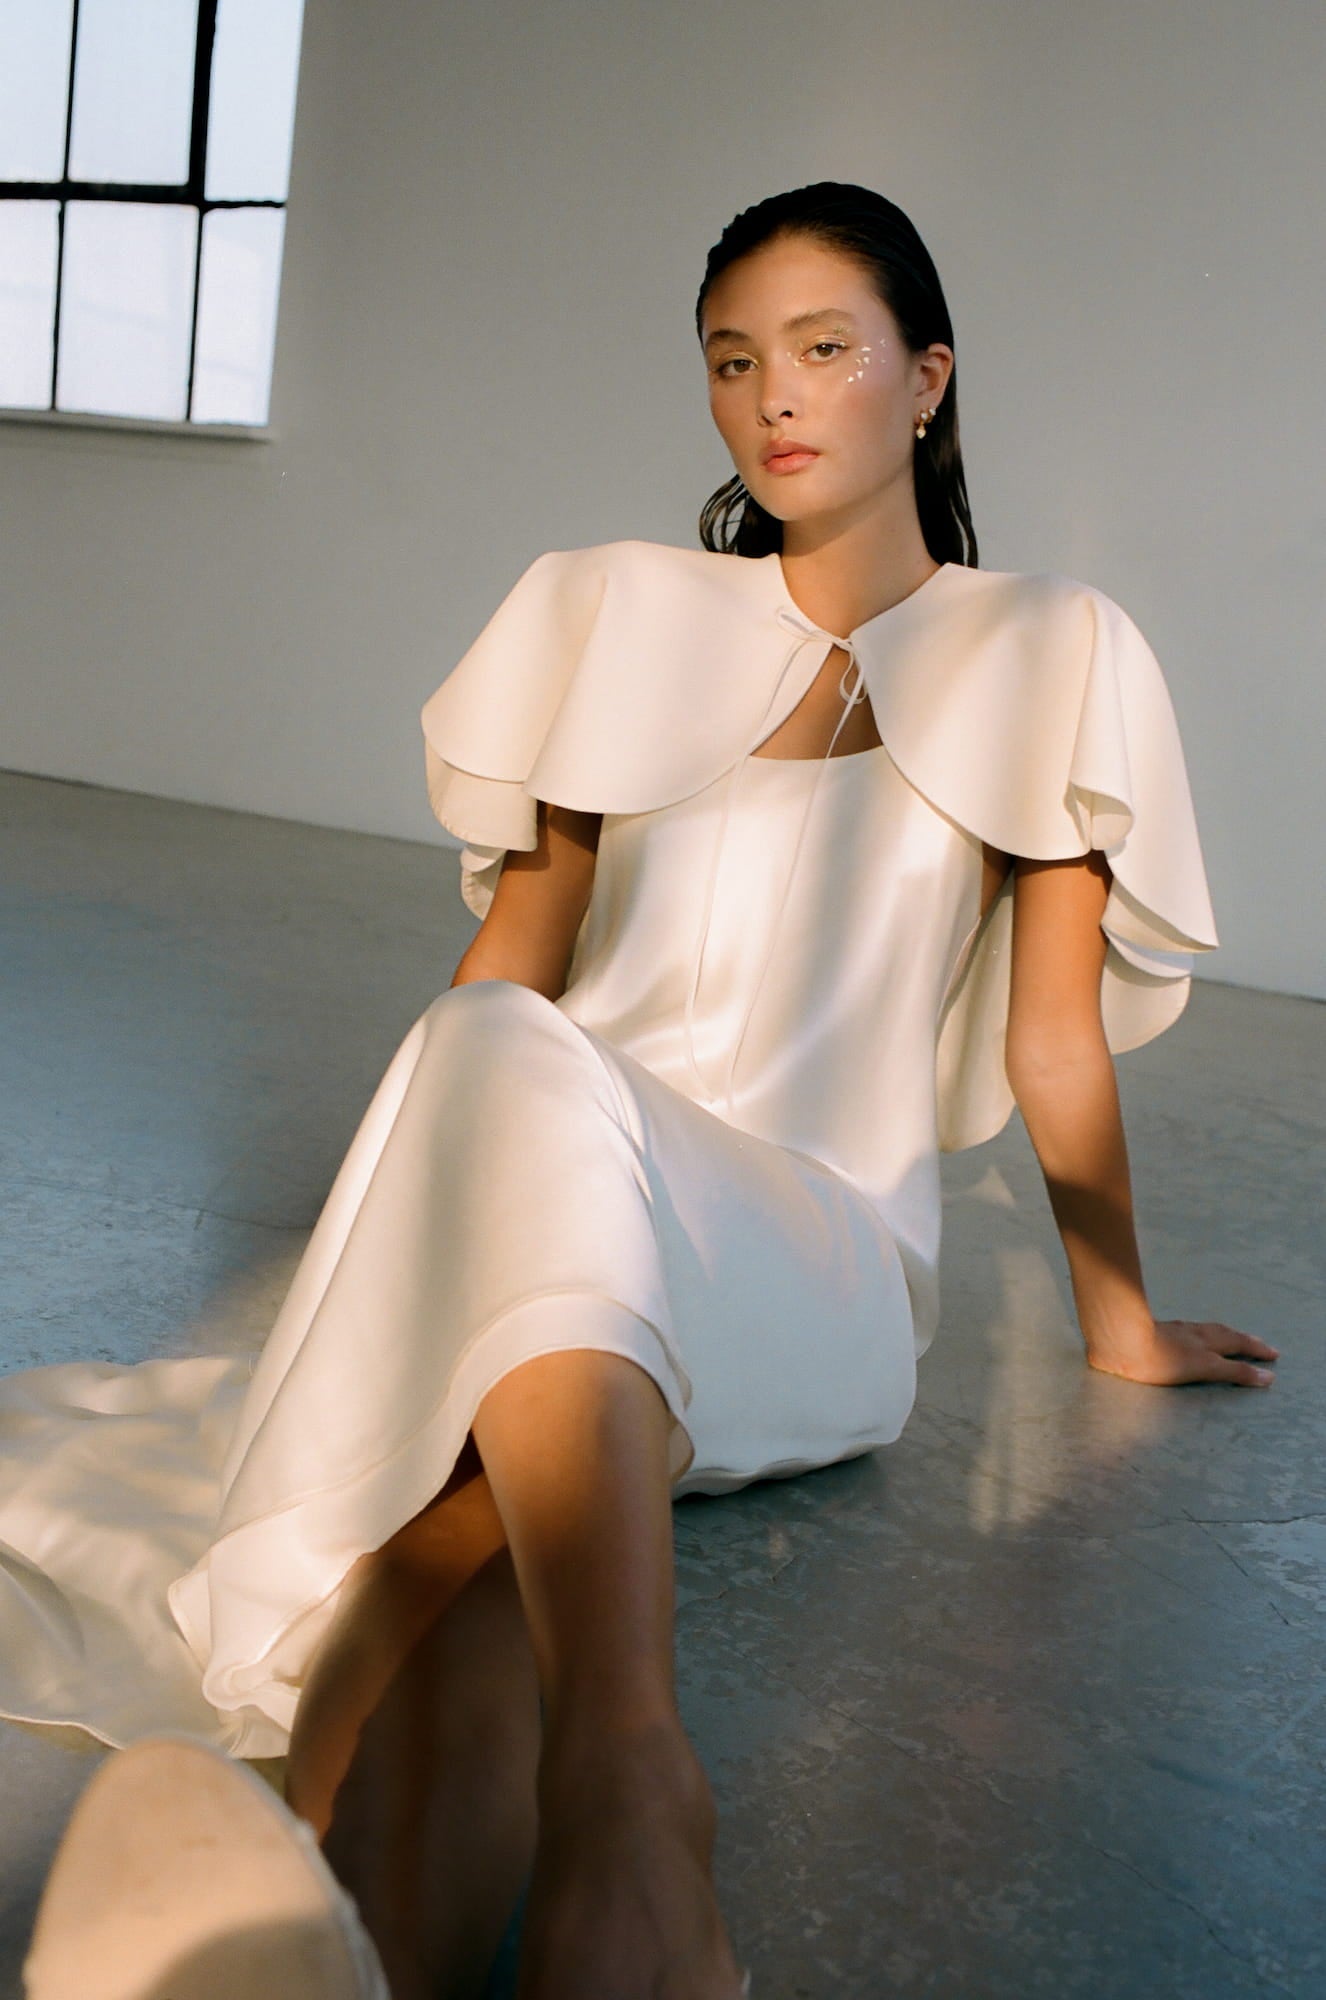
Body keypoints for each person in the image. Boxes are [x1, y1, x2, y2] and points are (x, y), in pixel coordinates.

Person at [8, 182, 1276, 2000]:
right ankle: (404, 1889)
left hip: (811, 1247)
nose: (775, 399)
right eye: (732, 361)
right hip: (559, 1173)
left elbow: (1048, 1039)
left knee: (471, 1404)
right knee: (464, 1484)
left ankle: (610, 1783)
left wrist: (1118, 1319)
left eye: (825, 354)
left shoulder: (1048, 647)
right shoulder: (610, 610)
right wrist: (395, 1229)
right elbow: (514, 958)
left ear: (925, 381)